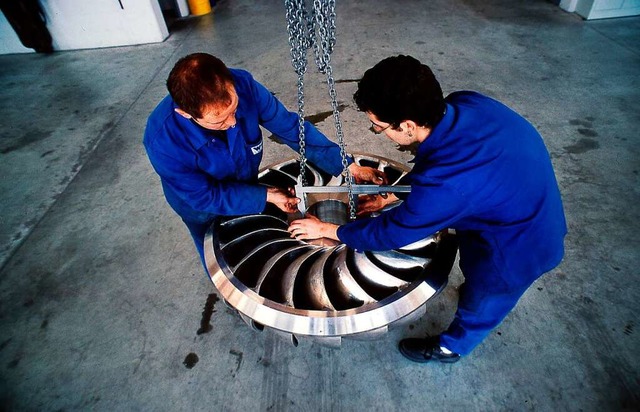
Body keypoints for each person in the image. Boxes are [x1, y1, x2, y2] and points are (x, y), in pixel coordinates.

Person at [288, 55, 567, 363]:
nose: (376, 130)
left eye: (378, 127)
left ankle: (452, 347)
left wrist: (328, 230)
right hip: (510, 201)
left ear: (407, 124)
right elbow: (448, 174)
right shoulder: (467, 104)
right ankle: (474, 289)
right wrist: (394, 197)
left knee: (486, 299)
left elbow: (391, 233)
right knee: (474, 269)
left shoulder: (447, 186)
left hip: (520, 248)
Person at [143, 53, 384, 266]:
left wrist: (347, 165)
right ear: (185, 114)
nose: (233, 123)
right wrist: (266, 195)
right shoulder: (163, 142)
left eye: (235, 109)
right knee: (221, 253)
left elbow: (291, 129)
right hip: (200, 206)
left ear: (230, 83)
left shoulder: (244, 85)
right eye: (219, 121)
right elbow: (206, 196)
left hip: (244, 180)